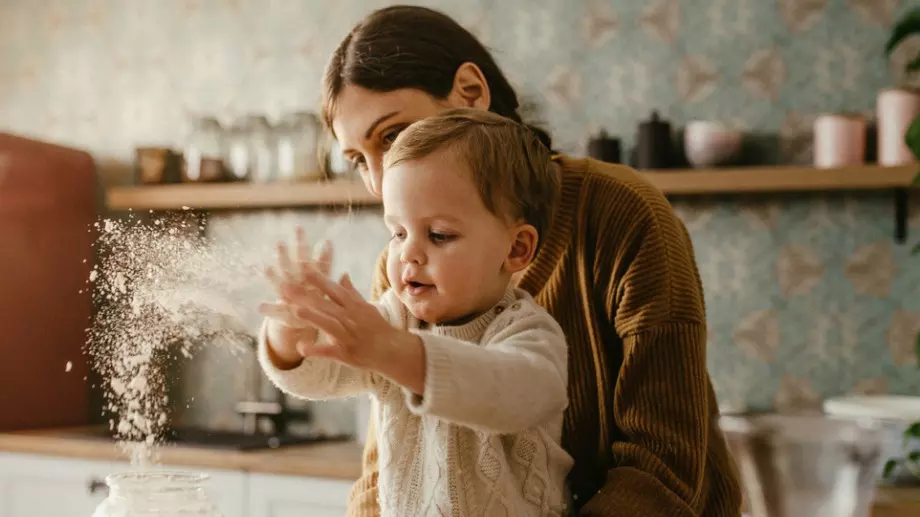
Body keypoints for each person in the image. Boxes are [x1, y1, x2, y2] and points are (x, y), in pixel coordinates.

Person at [322, 5, 743, 517]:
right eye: (358, 160)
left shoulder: (623, 213)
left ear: (472, 94)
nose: (379, 178)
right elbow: (385, 466)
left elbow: (666, 464)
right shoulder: (402, 266)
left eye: (392, 135)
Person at [258, 109, 574, 516]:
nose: (408, 253)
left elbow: (514, 394)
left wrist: (392, 351)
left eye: (439, 235)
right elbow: (319, 375)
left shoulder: (528, 332)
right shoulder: (395, 321)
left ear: (516, 249)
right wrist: (292, 328)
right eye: (398, 232)